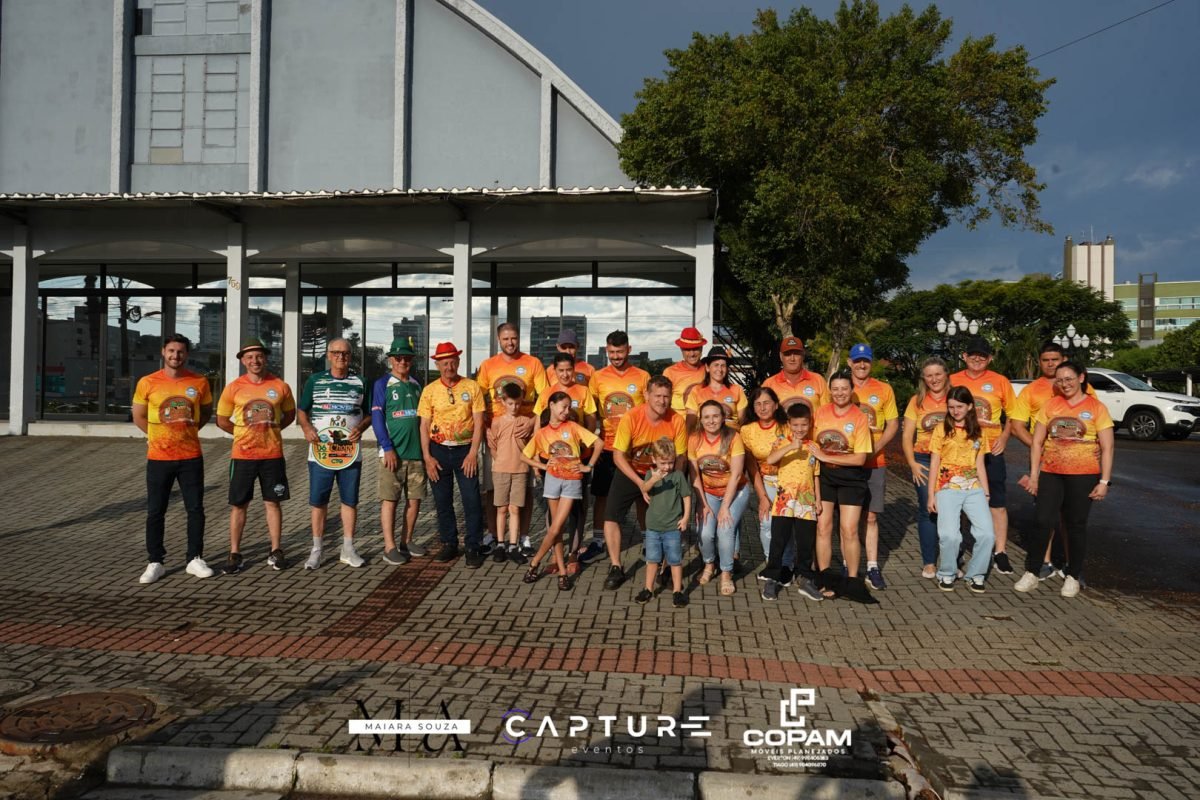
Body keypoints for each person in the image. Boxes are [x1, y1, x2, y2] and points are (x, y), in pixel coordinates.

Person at [1015, 361, 1113, 598]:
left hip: (1084, 474)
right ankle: (1032, 571)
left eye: (1069, 379)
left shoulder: (1096, 407)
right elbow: (1037, 442)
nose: (1064, 384)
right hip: (1051, 473)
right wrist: (1035, 475)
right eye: (1060, 380)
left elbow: (1108, 447)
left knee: (1075, 524)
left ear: (1081, 378)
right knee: (1042, 520)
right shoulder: (1051, 405)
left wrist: (1104, 482)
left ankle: (1073, 575)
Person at [1007, 341, 1095, 580]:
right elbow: (1017, 426)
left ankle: (1071, 564)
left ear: (1063, 359)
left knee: (1072, 516)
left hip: (1078, 463)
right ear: (1039, 362)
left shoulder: (1080, 386)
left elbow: (1094, 420)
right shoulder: (1031, 390)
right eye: (1045, 360)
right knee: (1045, 515)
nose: (1050, 364)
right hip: (1045, 462)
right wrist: (1040, 447)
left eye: (1055, 359)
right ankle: (1044, 562)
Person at [132, 333, 215, 584]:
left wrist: (185, 432)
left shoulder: (199, 382)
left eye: (180, 351)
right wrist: (157, 436)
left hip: (191, 457)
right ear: (163, 352)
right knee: (156, 510)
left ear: (186, 354)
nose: (175, 356)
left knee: (195, 509)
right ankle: (155, 561)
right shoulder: (147, 382)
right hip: (159, 458)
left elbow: (204, 413)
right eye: (171, 351)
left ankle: (194, 558)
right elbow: (139, 416)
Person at [215, 337, 296, 573]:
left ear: (265, 358)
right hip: (243, 456)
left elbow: (290, 415)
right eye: (249, 357)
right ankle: (234, 553)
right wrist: (243, 433)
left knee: (273, 502)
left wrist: (272, 430)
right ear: (243, 361)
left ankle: (276, 550)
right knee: (239, 504)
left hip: (272, 455)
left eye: (259, 356)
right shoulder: (234, 387)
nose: (255, 360)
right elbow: (222, 420)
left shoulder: (280, 386)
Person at [602, 375, 687, 590]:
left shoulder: (677, 420)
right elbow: (618, 456)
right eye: (657, 395)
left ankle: (665, 567)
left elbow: (681, 457)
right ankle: (615, 566)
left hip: (662, 473)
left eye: (666, 396)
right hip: (632, 470)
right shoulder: (631, 417)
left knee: (669, 519)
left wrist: (673, 481)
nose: (662, 401)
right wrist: (640, 483)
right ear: (647, 395)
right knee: (611, 516)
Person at [296, 338, 371, 570]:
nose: (341, 356)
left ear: (351, 356)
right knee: (319, 502)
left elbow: (369, 413)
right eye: (336, 353)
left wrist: (361, 427)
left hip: (350, 453)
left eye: (345, 353)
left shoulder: (361, 382)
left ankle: (348, 549)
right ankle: (317, 550)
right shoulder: (315, 380)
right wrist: (306, 428)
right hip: (321, 452)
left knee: (349, 501)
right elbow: (302, 410)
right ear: (328, 355)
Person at [476, 322, 547, 556]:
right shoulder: (488, 365)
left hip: (523, 437)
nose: (510, 342)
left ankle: (522, 537)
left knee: (524, 490)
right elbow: (479, 399)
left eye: (514, 338)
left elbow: (544, 399)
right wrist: (486, 427)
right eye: (506, 339)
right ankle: (494, 536)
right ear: (499, 340)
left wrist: (532, 422)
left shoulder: (533, 363)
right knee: (492, 489)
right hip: (496, 436)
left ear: (519, 338)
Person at [520, 390, 603, 590]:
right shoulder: (542, 432)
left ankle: (534, 563)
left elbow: (598, 443)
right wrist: (542, 466)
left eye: (569, 407)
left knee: (557, 527)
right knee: (555, 530)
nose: (567, 411)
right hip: (552, 480)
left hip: (572, 481)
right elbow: (524, 456)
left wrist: (588, 466)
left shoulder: (573, 427)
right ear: (551, 406)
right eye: (563, 407)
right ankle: (563, 573)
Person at [950, 336, 1018, 574]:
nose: (977, 359)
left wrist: (1004, 437)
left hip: (991, 450)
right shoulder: (953, 379)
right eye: (972, 355)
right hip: (961, 452)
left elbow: (1013, 415)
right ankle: (958, 548)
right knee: (959, 499)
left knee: (997, 502)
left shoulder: (1000, 381)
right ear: (964, 357)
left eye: (982, 355)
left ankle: (1000, 551)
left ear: (990, 358)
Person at [418, 341, 487, 568]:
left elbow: (479, 422)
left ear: (458, 361)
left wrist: (473, 453)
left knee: (471, 500)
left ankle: (473, 546)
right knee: (442, 501)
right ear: (437, 365)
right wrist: (427, 457)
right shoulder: (429, 391)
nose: (449, 367)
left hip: (465, 451)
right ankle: (449, 543)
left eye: (453, 362)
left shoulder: (472, 387)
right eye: (444, 363)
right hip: (438, 451)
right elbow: (424, 425)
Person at [587, 330, 651, 563]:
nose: (616, 356)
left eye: (620, 352)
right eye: (612, 352)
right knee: (602, 496)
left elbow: (649, 411)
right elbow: (591, 412)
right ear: (607, 350)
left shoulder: (642, 376)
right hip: (608, 448)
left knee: (642, 495)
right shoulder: (598, 377)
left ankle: (648, 542)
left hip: (635, 451)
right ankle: (598, 541)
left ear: (629, 350)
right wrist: (592, 442)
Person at [533, 351, 599, 569]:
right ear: (554, 370)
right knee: (554, 510)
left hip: (577, 461)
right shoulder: (546, 393)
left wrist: (583, 449)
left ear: (574, 369)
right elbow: (538, 426)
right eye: (560, 370)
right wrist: (536, 459)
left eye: (568, 370)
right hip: (552, 462)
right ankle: (555, 554)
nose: (565, 374)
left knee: (578, 509)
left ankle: (572, 554)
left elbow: (591, 422)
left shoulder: (583, 391)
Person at [927, 386, 995, 593]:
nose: (955, 411)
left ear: (970, 406)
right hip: (947, 487)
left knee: (987, 534)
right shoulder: (941, 429)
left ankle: (976, 575)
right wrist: (931, 495)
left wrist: (986, 492)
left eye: (959, 406)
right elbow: (934, 463)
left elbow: (980, 464)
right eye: (951, 407)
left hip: (974, 487)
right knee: (950, 535)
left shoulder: (979, 431)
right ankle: (947, 572)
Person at [812, 370, 872, 585]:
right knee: (823, 527)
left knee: (849, 529)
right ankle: (825, 576)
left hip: (851, 477)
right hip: (825, 476)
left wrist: (825, 455)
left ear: (851, 390)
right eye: (835, 389)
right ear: (830, 391)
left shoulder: (859, 417)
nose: (840, 393)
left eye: (844, 389)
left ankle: (853, 579)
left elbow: (860, 458)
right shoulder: (820, 413)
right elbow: (809, 442)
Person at [847, 343, 899, 590]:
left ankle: (871, 565)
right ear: (849, 362)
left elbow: (893, 424)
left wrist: (875, 447)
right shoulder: (841, 386)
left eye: (865, 361)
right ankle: (848, 563)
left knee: (870, 516)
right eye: (857, 361)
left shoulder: (884, 389)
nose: (861, 365)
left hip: (875, 462)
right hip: (846, 462)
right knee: (848, 518)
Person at [370, 337, 426, 566]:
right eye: (399, 358)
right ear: (391, 359)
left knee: (415, 500)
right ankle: (389, 547)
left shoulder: (416, 384)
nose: (403, 362)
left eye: (407, 358)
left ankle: (407, 541)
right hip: (392, 454)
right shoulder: (382, 384)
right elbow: (377, 418)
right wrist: (387, 447)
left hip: (416, 454)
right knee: (390, 500)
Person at [761, 403, 824, 602]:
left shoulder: (813, 446)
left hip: (806, 500)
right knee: (778, 540)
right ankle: (772, 577)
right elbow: (771, 460)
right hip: (784, 500)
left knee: (806, 541)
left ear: (809, 424)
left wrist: (818, 499)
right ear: (789, 424)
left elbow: (816, 475)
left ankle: (805, 577)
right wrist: (790, 446)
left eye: (804, 425)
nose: (800, 429)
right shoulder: (781, 441)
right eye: (795, 425)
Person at [690, 399, 750, 596]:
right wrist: (702, 503)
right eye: (706, 417)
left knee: (725, 529)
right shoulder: (694, 439)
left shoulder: (733, 437)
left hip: (735, 491)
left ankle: (726, 572)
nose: (711, 421)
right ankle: (709, 564)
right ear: (700, 419)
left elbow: (736, 474)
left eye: (715, 416)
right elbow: (695, 476)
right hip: (708, 492)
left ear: (723, 417)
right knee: (705, 532)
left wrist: (725, 507)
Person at [740, 387, 796, 584]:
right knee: (766, 522)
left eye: (766, 403)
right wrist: (762, 496)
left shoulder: (787, 427)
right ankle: (771, 562)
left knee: (785, 524)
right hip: (766, 481)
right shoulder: (747, 431)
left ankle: (787, 564)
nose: (762, 408)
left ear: (776, 405)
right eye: (758, 404)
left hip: (789, 481)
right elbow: (751, 467)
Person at [901, 357, 950, 579]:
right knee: (928, 508)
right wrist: (912, 463)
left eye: (938, 374)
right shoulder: (917, 401)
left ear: (946, 374)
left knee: (952, 510)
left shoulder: (955, 397)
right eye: (929, 375)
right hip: (924, 460)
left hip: (951, 461)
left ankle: (952, 559)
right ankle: (929, 562)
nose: (934, 379)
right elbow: (906, 436)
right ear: (923, 378)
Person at [634, 437, 691, 609]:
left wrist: (685, 518)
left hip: (672, 526)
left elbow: (686, 497)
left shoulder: (678, 476)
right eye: (663, 463)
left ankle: (677, 591)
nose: (667, 467)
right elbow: (644, 488)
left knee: (675, 560)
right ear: (654, 459)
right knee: (652, 560)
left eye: (670, 462)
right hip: (653, 527)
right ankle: (648, 589)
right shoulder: (651, 474)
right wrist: (653, 480)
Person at [488, 382, 534, 564]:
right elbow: (493, 445)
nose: (514, 407)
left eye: (517, 403)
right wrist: (499, 460)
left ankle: (513, 545)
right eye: (510, 403)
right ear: (503, 402)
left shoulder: (525, 422)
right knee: (501, 508)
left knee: (515, 508)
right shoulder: (497, 422)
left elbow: (531, 443)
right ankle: (500, 544)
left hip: (520, 470)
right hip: (500, 470)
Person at [763, 336, 830, 413]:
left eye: (796, 354)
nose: (792, 359)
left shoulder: (818, 380)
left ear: (803, 355)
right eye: (788, 354)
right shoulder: (769, 385)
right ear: (781, 356)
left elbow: (827, 413)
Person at [685, 346, 747, 430]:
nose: (720, 369)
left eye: (723, 366)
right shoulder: (696, 390)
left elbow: (743, 423)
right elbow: (690, 423)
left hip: (732, 435)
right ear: (707, 368)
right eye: (716, 365)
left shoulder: (737, 390)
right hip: (704, 436)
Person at [662, 327, 709, 418]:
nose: (692, 354)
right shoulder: (670, 372)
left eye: (695, 349)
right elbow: (663, 403)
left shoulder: (709, 370)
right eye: (687, 349)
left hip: (706, 424)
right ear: (681, 349)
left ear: (701, 348)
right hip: (678, 424)